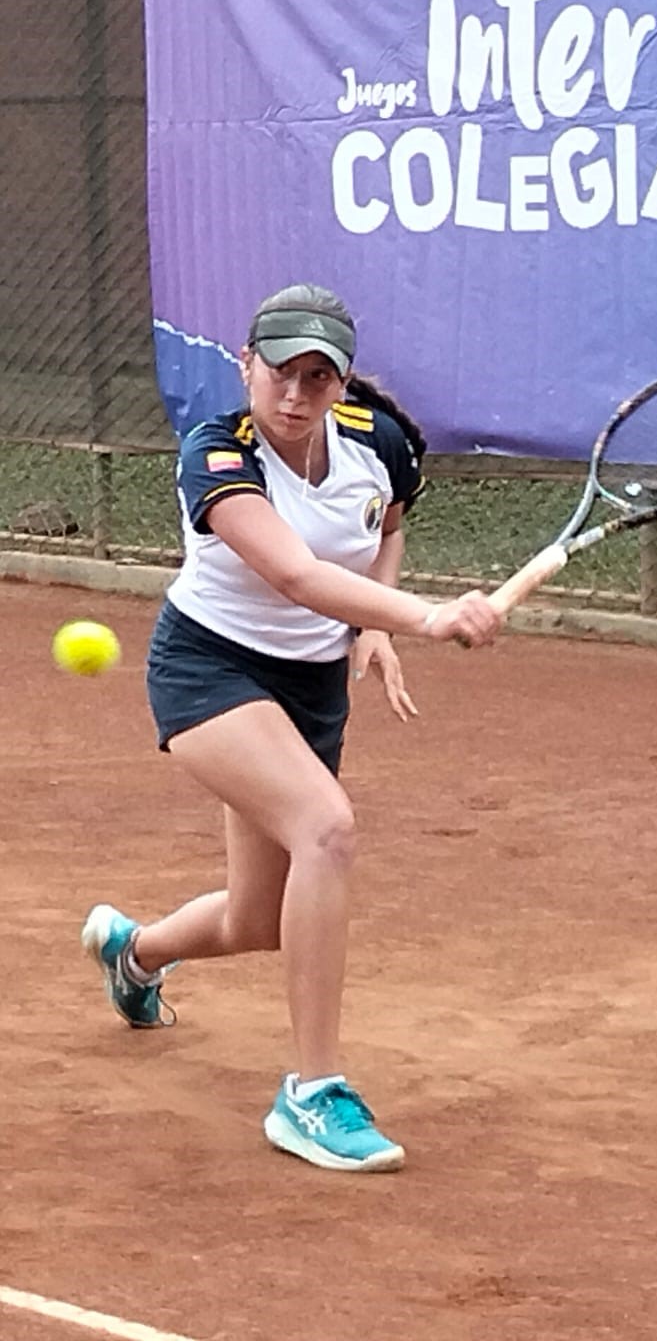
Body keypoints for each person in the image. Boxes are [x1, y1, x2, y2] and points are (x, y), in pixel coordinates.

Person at [82, 282, 500, 1173]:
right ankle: (312, 1093)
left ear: (341, 384)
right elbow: (298, 575)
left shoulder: (378, 445)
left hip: (310, 689)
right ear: (247, 365)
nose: (296, 393)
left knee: (259, 918)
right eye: (281, 370)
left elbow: (385, 524)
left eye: (318, 376)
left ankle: (137, 953)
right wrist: (419, 617)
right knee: (329, 826)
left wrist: (375, 625)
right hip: (209, 669)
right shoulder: (216, 453)